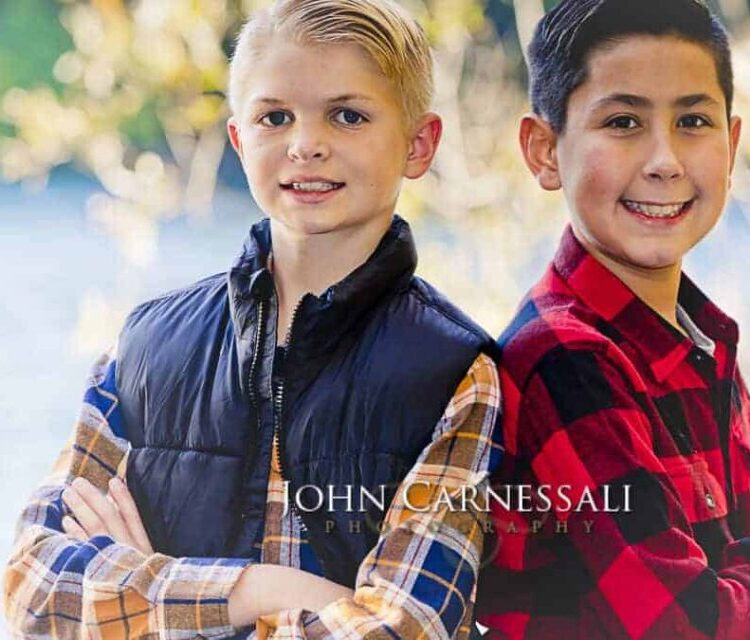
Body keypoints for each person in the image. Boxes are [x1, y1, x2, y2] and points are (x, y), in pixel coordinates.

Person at [3, 0, 501, 638]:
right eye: (275, 117)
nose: (306, 144)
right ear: (240, 138)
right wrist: (263, 590)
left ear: (418, 143)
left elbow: (406, 628)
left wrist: (145, 588)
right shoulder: (149, 346)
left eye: (348, 116)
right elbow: (35, 591)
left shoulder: (452, 371)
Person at [477, 0, 750, 637]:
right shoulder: (565, 358)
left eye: (693, 120)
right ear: (544, 150)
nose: (666, 161)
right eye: (624, 121)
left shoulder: (700, 340)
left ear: (732, 146)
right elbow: (685, 625)